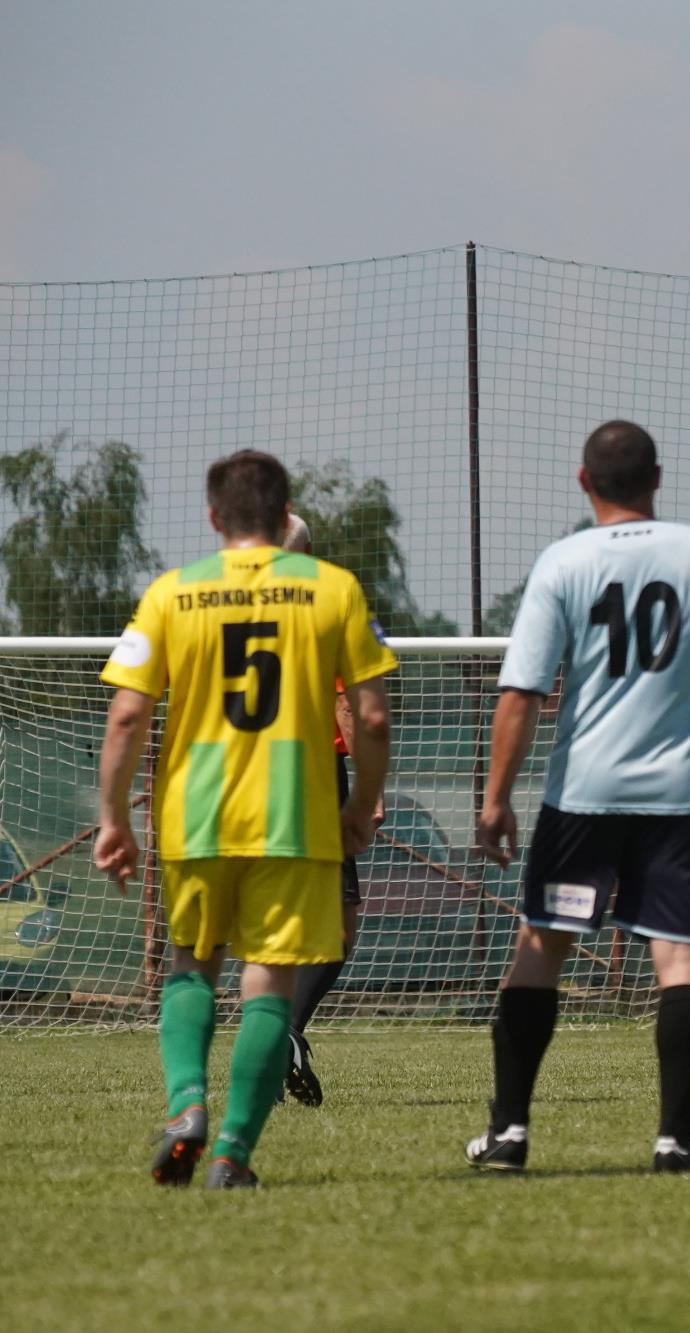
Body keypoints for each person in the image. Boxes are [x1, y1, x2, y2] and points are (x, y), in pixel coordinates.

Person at [465, 420, 690, 1175]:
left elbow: (521, 692)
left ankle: (509, 1133)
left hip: (582, 797)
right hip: (679, 803)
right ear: (658, 477)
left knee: (540, 948)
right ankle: (674, 1142)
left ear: (583, 482)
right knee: (681, 961)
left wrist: (494, 798)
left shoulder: (563, 562)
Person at [95, 450, 396, 1189]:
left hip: (197, 812)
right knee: (270, 980)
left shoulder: (171, 593)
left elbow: (128, 714)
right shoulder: (334, 590)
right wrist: (361, 802)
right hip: (295, 812)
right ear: (285, 512)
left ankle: (187, 1105)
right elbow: (372, 715)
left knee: (193, 964)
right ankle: (232, 1153)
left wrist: (113, 818)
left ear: (212, 517)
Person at [276, 511, 383, 1107]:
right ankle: (285, 1034)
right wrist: (370, 791)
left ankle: (269, 1047)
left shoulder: (217, 599)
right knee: (339, 922)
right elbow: (351, 705)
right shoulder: (328, 603)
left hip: (239, 771)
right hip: (311, 770)